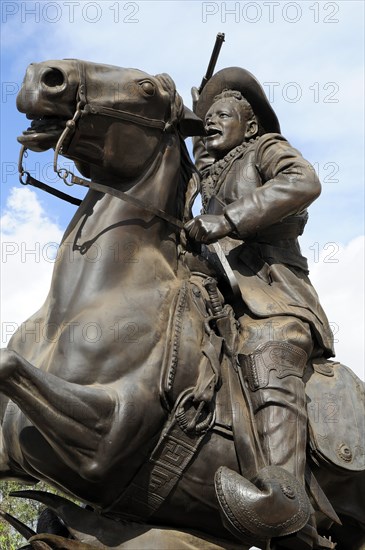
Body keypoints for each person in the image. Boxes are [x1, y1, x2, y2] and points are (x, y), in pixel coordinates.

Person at [184, 67, 335, 545]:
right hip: (210, 299)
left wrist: (227, 219)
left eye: (222, 115)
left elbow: (303, 181)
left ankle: (285, 501)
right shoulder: (199, 174)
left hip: (272, 297)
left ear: (248, 126)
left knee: (268, 350)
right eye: (206, 118)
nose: (211, 123)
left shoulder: (265, 149)